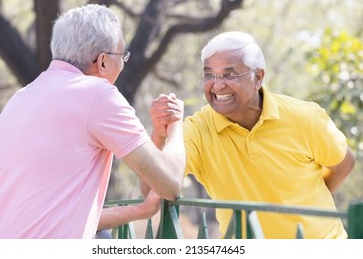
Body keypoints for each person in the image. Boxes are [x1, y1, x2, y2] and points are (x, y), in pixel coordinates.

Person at [0, 4, 185, 239]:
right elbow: (171, 184)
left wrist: (137, 211)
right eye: (122, 56)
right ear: (103, 61)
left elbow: (48, 216)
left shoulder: (21, 97)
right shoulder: (97, 94)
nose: (123, 65)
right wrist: (176, 122)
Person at [149, 31, 355, 239]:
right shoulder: (198, 130)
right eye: (209, 74)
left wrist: (302, 206)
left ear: (258, 77)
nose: (218, 85)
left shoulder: (305, 116)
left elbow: (343, 164)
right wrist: (160, 133)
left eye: (229, 74)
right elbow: (152, 187)